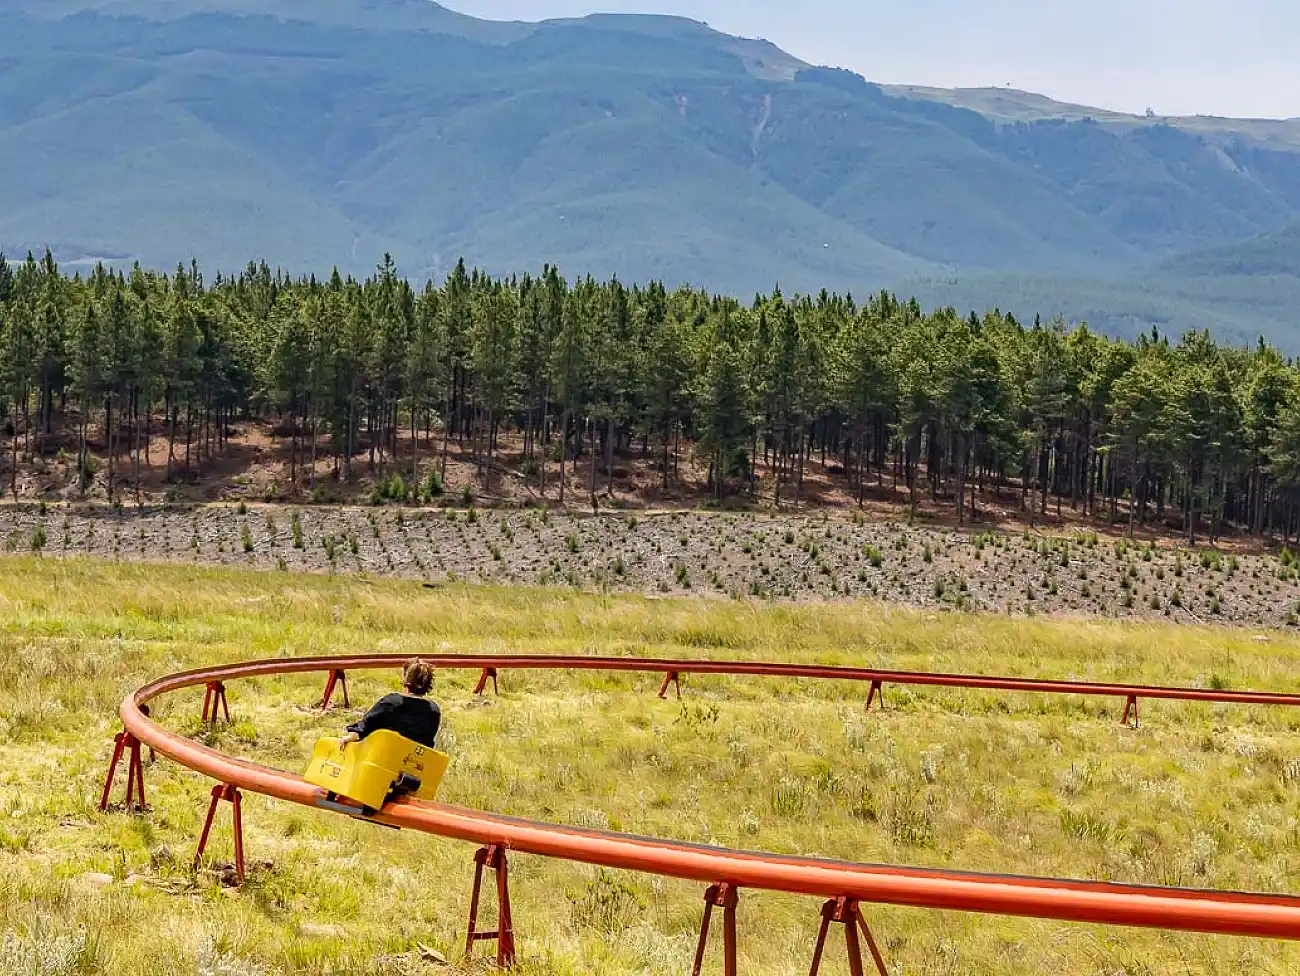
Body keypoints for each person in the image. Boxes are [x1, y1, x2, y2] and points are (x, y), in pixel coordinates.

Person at [342, 658, 441, 749]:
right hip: (416, 763)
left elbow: (364, 728)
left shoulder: (391, 703)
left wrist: (347, 739)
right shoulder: (434, 711)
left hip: (385, 758)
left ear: (406, 679)